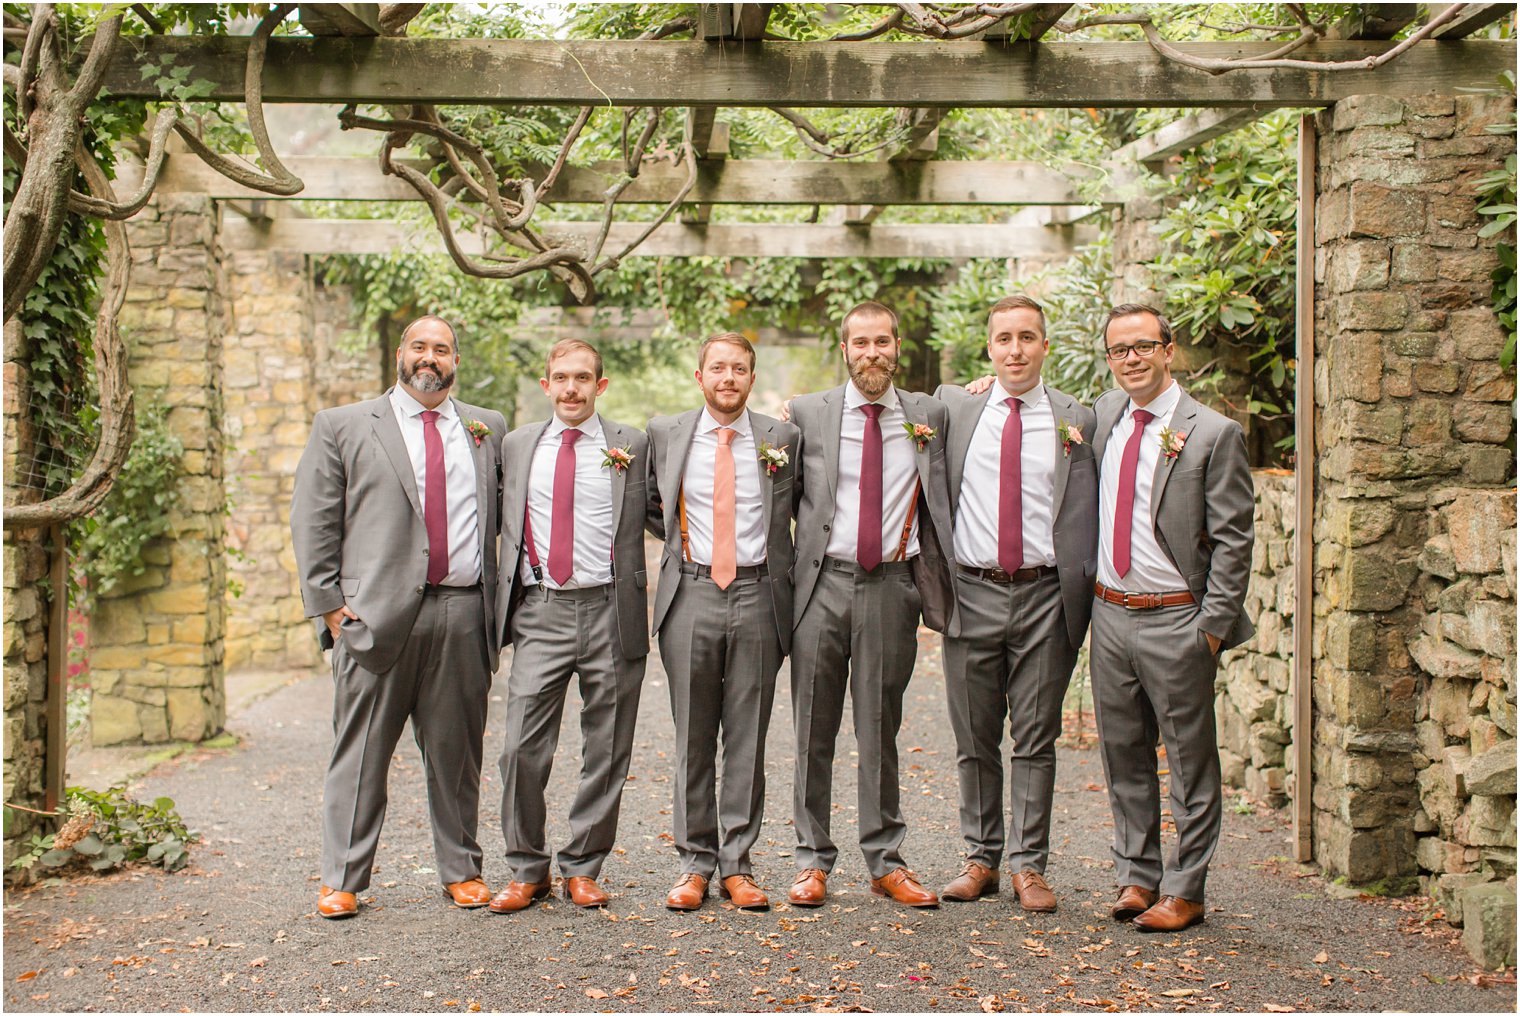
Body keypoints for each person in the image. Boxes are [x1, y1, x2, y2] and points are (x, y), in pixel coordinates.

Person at [291, 315, 506, 919]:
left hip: (464, 612)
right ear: (399, 355)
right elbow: (313, 520)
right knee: (359, 753)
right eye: (420, 346)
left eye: (441, 349)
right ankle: (342, 877)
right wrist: (331, 608)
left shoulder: (486, 428)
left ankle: (462, 869)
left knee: (457, 753)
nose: (429, 357)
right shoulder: (343, 425)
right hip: (373, 617)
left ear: (455, 361)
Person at [1088, 303, 1254, 933]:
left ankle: (1187, 889)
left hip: (1177, 620)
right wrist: (987, 384)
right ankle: (1138, 874)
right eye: (1119, 350)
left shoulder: (1212, 433)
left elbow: (1234, 541)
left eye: (1142, 347)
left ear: (1168, 351)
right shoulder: (1103, 417)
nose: (1131, 359)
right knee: (1123, 752)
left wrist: (1210, 629)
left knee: (1190, 760)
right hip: (1110, 615)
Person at [786, 301, 955, 909]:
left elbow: (984, 414)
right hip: (821, 586)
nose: (872, 353)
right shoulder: (807, 413)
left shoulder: (930, 413)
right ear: (845, 349)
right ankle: (811, 860)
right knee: (813, 726)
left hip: (891, 587)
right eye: (860, 343)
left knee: (880, 725)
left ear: (898, 344)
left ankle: (885, 859)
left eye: (882, 341)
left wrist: (983, 384)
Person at [934, 295, 1098, 913]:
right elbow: (887, 413)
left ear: (1045, 346)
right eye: (1003, 338)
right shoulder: (956, 406)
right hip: (970, 592)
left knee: (1034, 736)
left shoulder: (1077, 417)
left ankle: (1030, 865)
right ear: (989, 347)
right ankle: (981, 858)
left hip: (1044, 596)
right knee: (974, 736)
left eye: (1027, 337)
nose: (1015, 349)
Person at [488, 339, 650, 913]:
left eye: (583, 378)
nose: (572, 388)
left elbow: (669, 501)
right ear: (545, 385)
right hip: (541, 609)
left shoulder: (631, 444)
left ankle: (584, 865)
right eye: (561, 378)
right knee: (519, 748)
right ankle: (527, 868)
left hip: (611, 608)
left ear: (600, 386)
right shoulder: (515, 445)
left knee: (607, 746)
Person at [645, 333, 800, 912]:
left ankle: (738, 863)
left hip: (760, 594)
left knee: (747, 734)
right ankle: (694, 863)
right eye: (718, 367)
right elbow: (648, 503)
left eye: (739, 368)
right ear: (699, 375)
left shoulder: (782, 438)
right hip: (691, 591)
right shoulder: (665, 434)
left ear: (751, 379)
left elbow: (802, 505)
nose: (728, 377)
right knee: (692, 734)